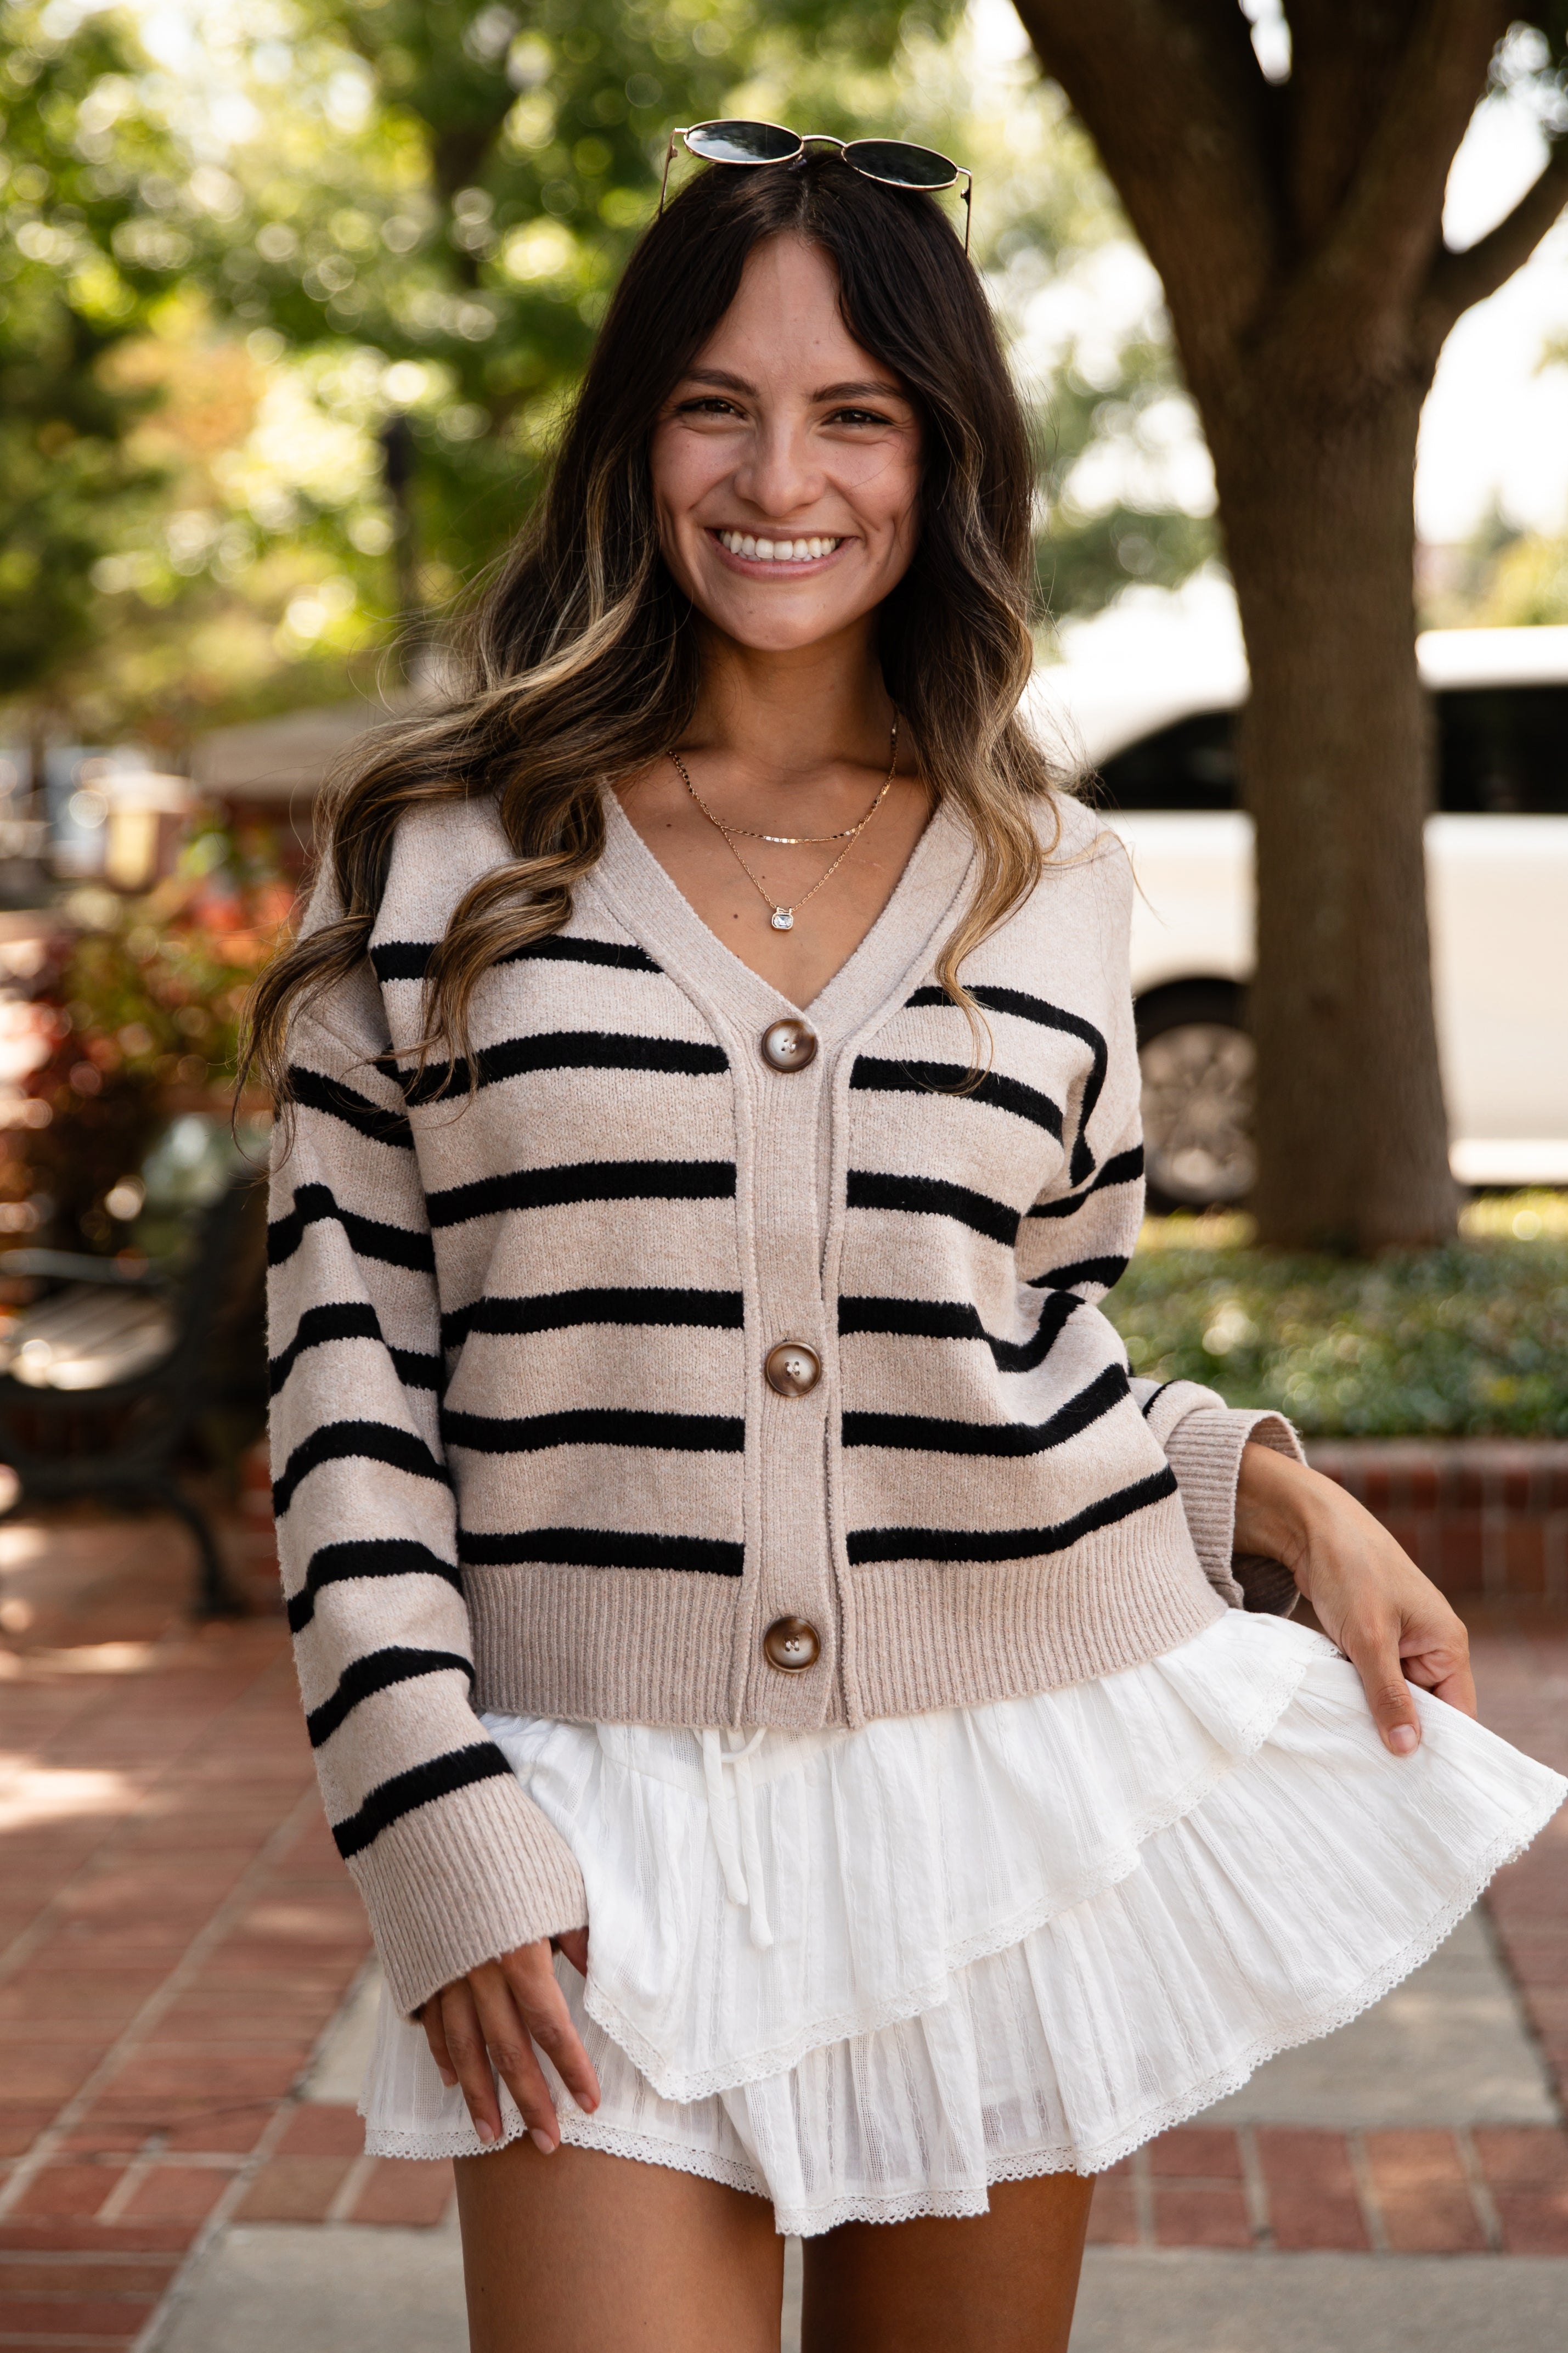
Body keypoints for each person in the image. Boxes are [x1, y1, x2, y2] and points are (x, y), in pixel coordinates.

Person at [250, 136, 1565, 2353]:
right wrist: (428, 1812)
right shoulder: (438, 844)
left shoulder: (1048, 877)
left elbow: (1008, 1335)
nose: (784, 473)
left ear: (939, 458)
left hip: (982, 1795)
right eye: (717, 404)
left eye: (855, 411)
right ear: (633, 436)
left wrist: (1263, 1482)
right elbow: (344, 1372)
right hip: (579, 1806)